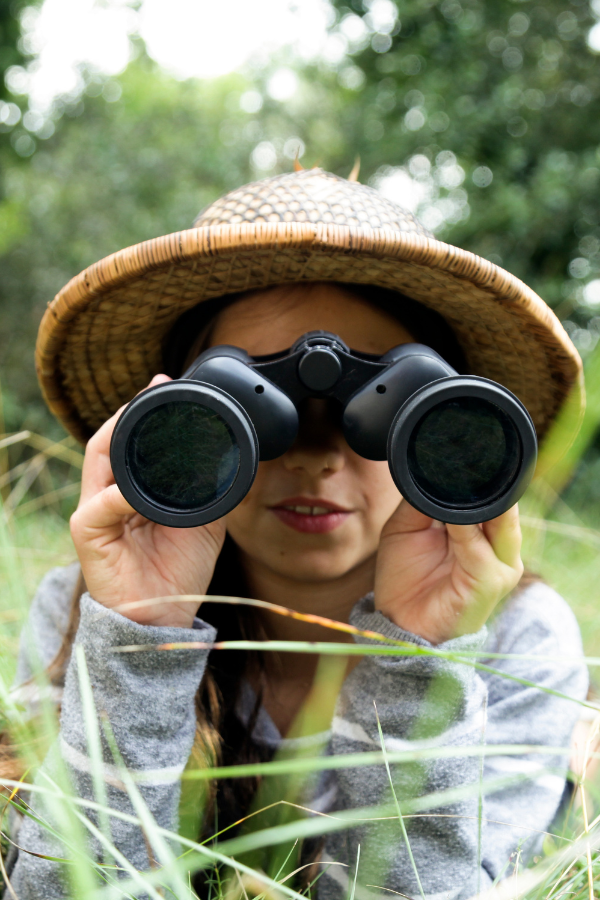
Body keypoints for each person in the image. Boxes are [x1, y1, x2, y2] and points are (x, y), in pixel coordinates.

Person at [5, 167, 589, 899]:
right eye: (253, 412)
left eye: (380, 415)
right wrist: (140, 637)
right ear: (174, 421)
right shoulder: (86, 611)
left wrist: (421, 657)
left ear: (448, 432)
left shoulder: (515, 640)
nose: (317, 454)